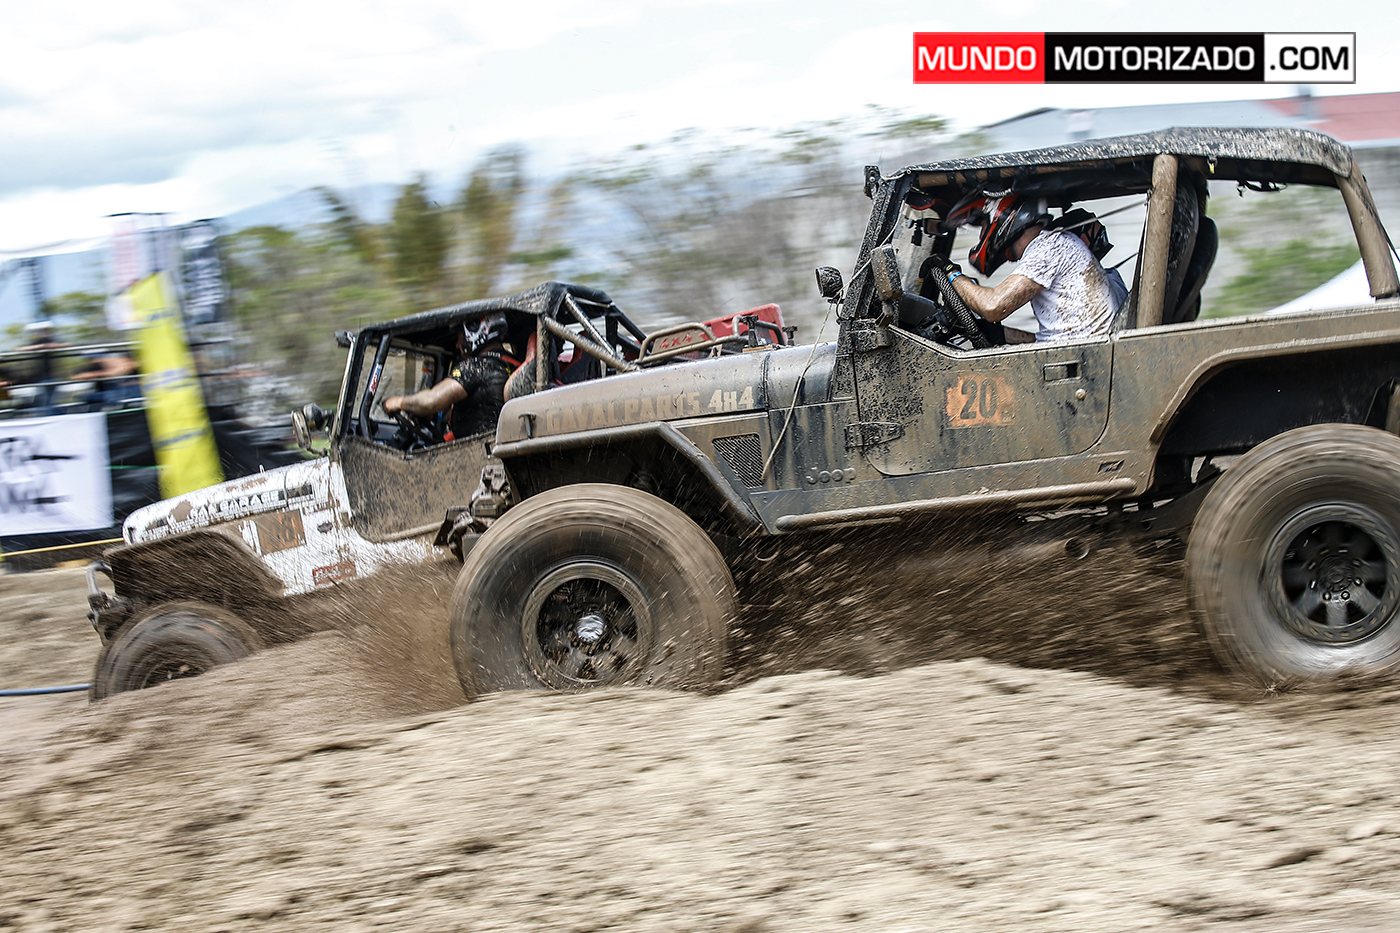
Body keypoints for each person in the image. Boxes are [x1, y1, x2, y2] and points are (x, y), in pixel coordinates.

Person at [939, 195, 1121, 343]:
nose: (981, 235)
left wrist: (950, 273)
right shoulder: (1054, 245)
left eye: (984, 226)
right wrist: (1001, 335)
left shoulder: (1049, 246)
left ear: (1003, 219)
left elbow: (993, 307)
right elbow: (1054, 339)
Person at [381, 312, 511, 442]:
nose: (458, 344)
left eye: (461, 337)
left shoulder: (477, 366)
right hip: (495, 445)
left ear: (476, 331)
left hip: (475, 449)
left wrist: (397, 402)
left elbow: (431, 401)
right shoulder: (511, 365)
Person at [1052, 208, 1129, 311]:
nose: (1101, 237)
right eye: (1098, 233)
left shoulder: (1112, 276)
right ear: (1081, 239)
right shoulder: (1068, 288)